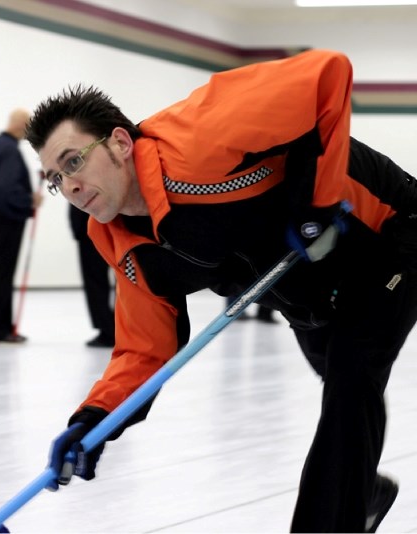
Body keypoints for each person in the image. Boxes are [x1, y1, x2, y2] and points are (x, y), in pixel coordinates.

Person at [26, 49, 413, 532]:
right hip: (308, 295)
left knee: (352, 384)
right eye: (57, 178)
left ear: (120, 143)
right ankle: (361, 492)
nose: (71, 185)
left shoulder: (200, 136)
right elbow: (145, 348)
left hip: (386, 234)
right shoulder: (122, 239)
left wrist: (317, 203)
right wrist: (95, 418)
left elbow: (325, 74)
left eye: (74, 161)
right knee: (346, 388)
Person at [0, 109, 43, 344]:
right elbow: (8, 188)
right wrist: (30, 200)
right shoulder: (7, 150)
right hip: (7, 219)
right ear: (21, 125)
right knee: (2, 274)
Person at [69, 204, 115, 347]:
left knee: (96, 280)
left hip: (91, 223)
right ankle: (113, 328)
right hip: (104, 222)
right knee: (119, 278)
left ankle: (109, 330)